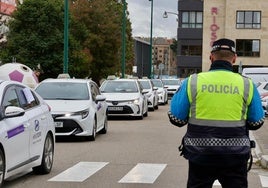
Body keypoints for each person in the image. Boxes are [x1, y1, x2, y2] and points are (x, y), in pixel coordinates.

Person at [168, 38, 265, 188]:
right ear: (234, 59)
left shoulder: (193, 81)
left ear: (211, 57)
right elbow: (256, 123)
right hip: (235, 157)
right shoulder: (247, 84)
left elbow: (176, 119)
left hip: (200, 156)